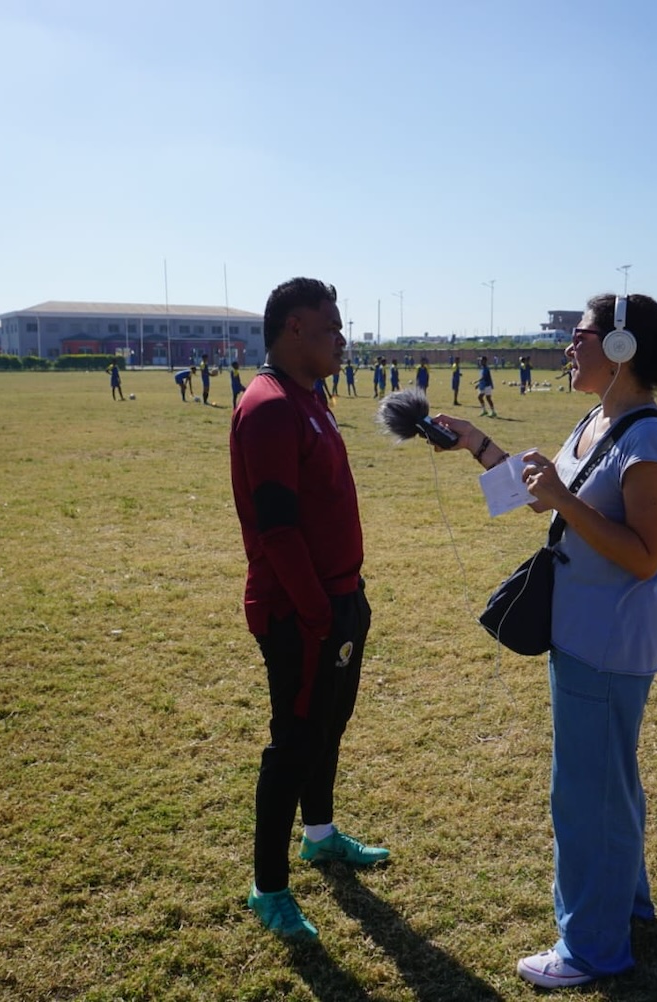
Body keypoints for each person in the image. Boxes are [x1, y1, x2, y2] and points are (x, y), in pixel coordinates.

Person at [434, 292, 657, 990]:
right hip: (582, 629)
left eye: (578, 337)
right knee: (608, 783)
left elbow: (645, 555)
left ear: (619, 348)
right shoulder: (597, 420)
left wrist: (561, 500)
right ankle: (628, 906)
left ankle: (592, 948)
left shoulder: (648, 440)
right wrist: (476, 444)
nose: (567, 348)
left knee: (586, 795)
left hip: (610, 642)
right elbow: (543, 495)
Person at [229, 277, 389, 943]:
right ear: (294, 329)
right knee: (293, 740)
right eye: (330, 326)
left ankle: (319, 835)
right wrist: (320, 614)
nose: (342, 338)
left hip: (339, 599)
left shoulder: (311, 396)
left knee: (329, 725)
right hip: (301, 612)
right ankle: (268, 888)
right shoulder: (268, 406)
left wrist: (347, 602)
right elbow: (277, 529)